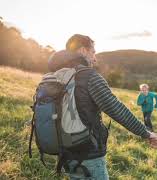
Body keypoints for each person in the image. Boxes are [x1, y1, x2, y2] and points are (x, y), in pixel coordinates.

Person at [48, 34, 151, 180]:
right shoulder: (89, 76)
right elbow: (115, 108)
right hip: (88, 153)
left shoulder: (56, 76)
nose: (95, 58)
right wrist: (146, 133)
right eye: (93, 52)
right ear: (83, 50)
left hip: (65, 151)